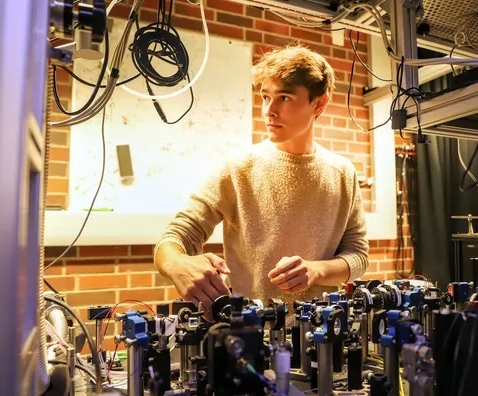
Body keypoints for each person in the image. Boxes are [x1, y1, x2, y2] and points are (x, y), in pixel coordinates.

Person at [153, 44, 369, 321]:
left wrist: (316, 271)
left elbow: (358, 257)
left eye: (285, 98)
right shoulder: (238, 166)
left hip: (322, 333)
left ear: (319, 103)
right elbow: (177, 236)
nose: (270, 110)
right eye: (266, 97)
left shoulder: (342, 172)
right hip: (250, 333)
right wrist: (176, 263)